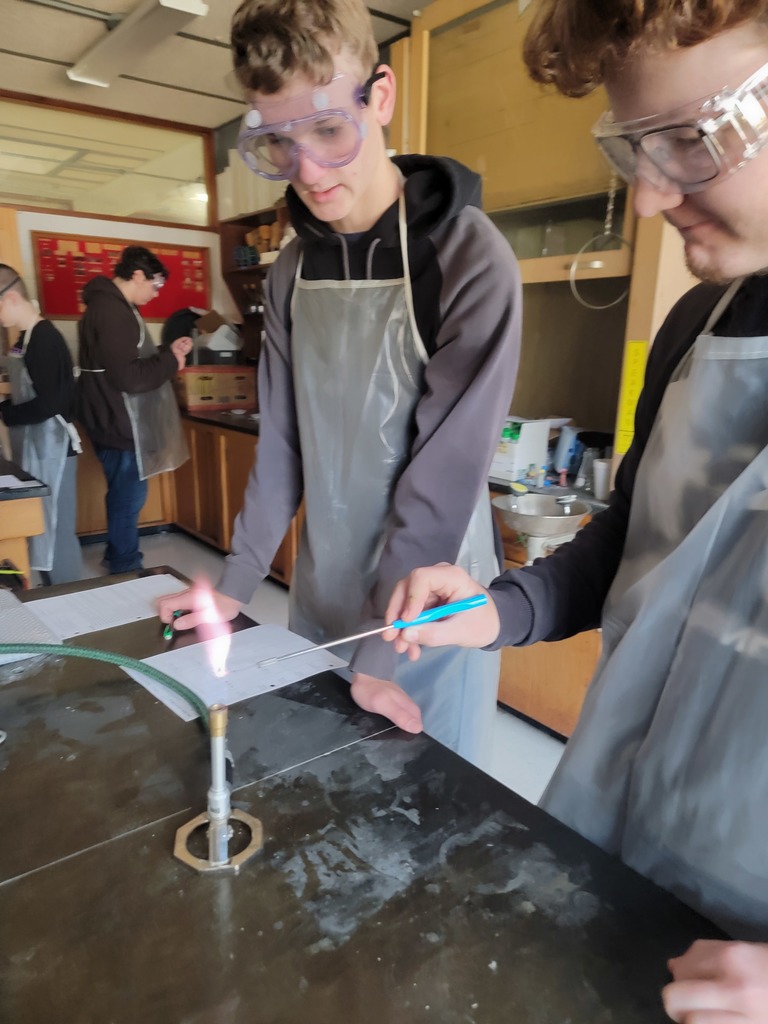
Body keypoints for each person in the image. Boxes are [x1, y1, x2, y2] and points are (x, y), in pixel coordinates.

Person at [379, 3, 768, 1020]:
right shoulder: (698, 325)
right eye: (634, 148)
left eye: (693, 139)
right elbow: (632, 548)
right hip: (610, 855)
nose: (647, 198)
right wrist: (496, 610)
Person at [157, 0, 521, 768]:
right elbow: (284, 443)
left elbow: (442, 481)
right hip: (323, 589)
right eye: (279, 144)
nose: (309, 173)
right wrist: (235, 584)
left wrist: (382, 657)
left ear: (379, 96)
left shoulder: (466, 260)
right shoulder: (291, 268)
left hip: (427, 604)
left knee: (425, 814)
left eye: (327, 131)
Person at [77, 246, 191, 575]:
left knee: (125, 493)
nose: (156, 295)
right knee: (128, 497)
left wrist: (168, 353)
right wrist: (171, 361)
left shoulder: (111, 305)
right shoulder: (113, 311)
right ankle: (125, 567)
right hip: (117, 420)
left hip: (108, 417)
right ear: (137, 275)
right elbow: (129, 378)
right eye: (155, 286)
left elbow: (126, 363)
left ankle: (118, 555)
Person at [0, 265, 83, 585]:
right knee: (41, 526)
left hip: (55, 450)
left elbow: (51, 404)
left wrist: (7, 414)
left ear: (12, 297)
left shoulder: (45, 339)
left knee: (57, 529)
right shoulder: (24, 340)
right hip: (37, 446)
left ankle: (69, 599)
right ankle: (52, 594)